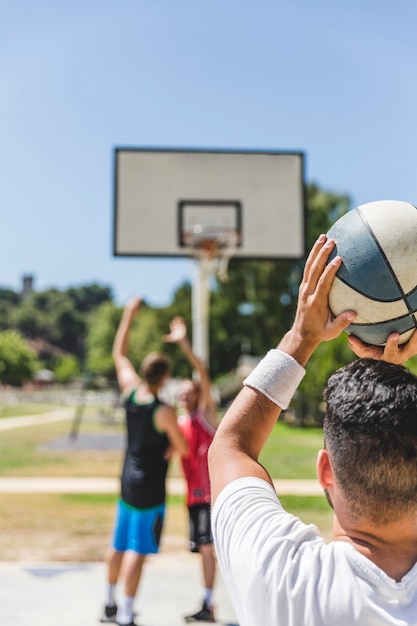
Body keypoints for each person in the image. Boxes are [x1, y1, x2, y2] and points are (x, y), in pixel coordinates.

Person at [208, 233, 417, 626]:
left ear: (325, 470)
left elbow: (230, 447)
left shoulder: (280, 578)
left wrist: (301, 337)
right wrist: (393, 373)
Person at [100, 297, 188, 626]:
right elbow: (184, 446)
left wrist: (128, 315)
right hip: (150, 487)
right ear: (164, 377)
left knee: (118, 543)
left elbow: (119, 354)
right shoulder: (164, 410)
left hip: (126, 481)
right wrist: (170, 447)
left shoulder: (130, 392)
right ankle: (125, 613)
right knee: (138, 549)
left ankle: (108, 604)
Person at [164, 316, 218, 623]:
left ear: (197, 394)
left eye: (189, 391)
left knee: (209, 550)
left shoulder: (205, 415)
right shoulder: (181, 424)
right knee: (204, 552)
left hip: (210, 497)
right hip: (193, 499)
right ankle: (208, 602)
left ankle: (208, 605)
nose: (184, 395)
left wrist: (183, 342)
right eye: (182, 392)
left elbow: (202, 373)